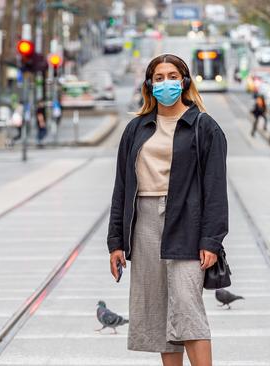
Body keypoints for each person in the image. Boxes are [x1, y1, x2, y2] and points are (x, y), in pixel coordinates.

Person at [107, 53, 228, 366]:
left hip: (186, 223)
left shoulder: (203, 127)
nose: (166, 83)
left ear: (184, 81)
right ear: (149, 84)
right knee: (159, 314)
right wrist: (116, 242)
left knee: (188, 310)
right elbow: (122, 186)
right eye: (159, 77)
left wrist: (211, 240)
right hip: (144, 223)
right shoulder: (136, 129)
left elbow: (215, 188)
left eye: (172, 76)